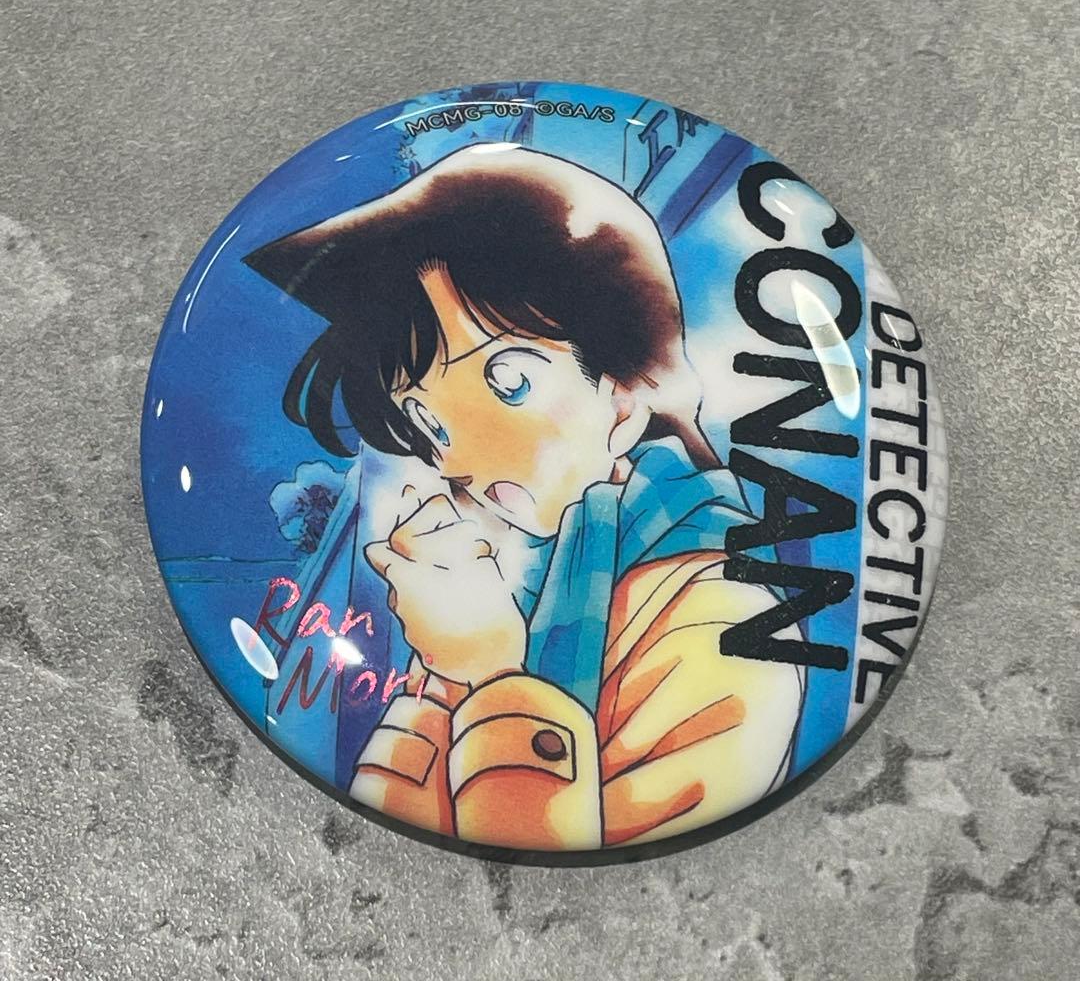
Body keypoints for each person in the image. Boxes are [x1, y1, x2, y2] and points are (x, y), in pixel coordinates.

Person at [244, 144, 803, 850]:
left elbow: (560, 851)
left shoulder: (727, 622)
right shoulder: (497, 595)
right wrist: (454, 669)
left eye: (510, 384)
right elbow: (402, 809)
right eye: (429, 424)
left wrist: (489, 673)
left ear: (624, 401)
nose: (459, 463)